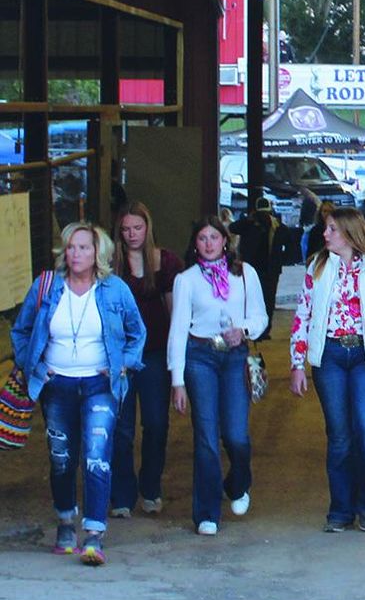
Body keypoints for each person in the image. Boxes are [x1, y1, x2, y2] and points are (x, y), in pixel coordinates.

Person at [10, 222, 146, 565]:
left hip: (101, 384)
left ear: (97, 252)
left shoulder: (114, 289)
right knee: (61, 458)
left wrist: (124, 365)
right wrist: (34, 367)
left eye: (83, 247)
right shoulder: (47, 287)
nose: (76, 254)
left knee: (97, 453)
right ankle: (65, 521)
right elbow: (21, 329)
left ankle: (94, 533)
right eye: (70, 247)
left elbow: (137, 332)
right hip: (57, 385)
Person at [289, 208, 365, 532]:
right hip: (330, 356)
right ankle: (340, 509)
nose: (324, 235)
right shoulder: (317, 266)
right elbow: (303, 316)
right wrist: (297, 363)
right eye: (325, 229)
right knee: (339, 436)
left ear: (350, 233)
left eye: (331, 230)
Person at [168, 217, 268, 536]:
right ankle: (207, 512)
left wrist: (246, 330)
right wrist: (177, 379)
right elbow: (178, 329)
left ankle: (238, 483)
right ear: (194, 243)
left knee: (237, 435)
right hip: (200, 356)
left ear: (225, 241)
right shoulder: (186, 280)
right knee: (206, 436)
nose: (209, 243)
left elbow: (261, 316)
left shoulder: (245, 273)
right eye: (202, 238)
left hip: (235, 354)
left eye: (214, 237)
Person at [109, 203, 183, 519]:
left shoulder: (165, 261)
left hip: (154, 354)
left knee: (155, 423)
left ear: (147, 227)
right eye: (126, 229)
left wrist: (176, 356)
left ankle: (151, 487)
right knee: (121, 428)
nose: (132, 234)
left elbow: (174, 311)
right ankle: (122, 494)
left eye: (137, 228)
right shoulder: (110, 263)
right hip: (121, 356)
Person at [229, 197, 285, 340]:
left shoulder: (249, 223)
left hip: (252, 267)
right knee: (269, 299)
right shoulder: (277, 224)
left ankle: (254, 328)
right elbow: (289, 241)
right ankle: (265, 330)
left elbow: (232, 227)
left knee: (251, 299)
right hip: (271, 268)